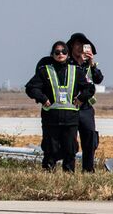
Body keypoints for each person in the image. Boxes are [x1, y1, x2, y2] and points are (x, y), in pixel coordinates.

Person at [25, 40, 94, 172]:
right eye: (57, 52)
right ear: (52, 54)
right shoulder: (44, 71)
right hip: (51, 118)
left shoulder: (77, 71)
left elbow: (90, 88)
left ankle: (68, 175)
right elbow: (30, 88)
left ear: (68, 54)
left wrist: (80, 99)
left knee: (70, 149)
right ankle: (48, 172)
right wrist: (42, 98)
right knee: (51, 148)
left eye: (64, 52)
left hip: (71, 118)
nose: (60, 54)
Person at [67, 32, 102, 172]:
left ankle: (88, 169)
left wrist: (91, 63)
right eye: (77, 44)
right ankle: (69, 169)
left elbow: (98, 79)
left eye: (83, 45)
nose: (80, 47)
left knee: (89, 138)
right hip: (70, 105)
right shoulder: (67, 63)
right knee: (70, 140)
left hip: (86, 107)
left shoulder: (89, 65)